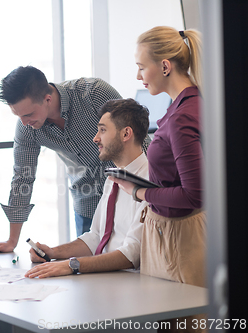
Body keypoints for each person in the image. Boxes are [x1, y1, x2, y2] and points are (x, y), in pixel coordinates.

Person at [0, 66, 150, 254]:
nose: (23, 123)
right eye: (18, 116)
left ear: (48, 99)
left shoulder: (93, 93)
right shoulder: (27, 128)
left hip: (132, 193)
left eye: (28, 114)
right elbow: (22, 177)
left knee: (137, 258)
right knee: (93, 269)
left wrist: (154, 188)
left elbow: (137, 137)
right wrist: (12, 240)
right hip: (87, 201)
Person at [111, 27, 204, 332]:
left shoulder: (181, 118)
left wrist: (139, 193)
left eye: (141, 67)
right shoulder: (187, 105)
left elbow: (193, 195)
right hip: (174, 235)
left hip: (179, 239)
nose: (139, 77)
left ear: (165, 65)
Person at [25, 99, 149, 278]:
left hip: (130, 282)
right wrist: (53, 253)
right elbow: (96, 236)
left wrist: (73, 265)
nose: (95, 138)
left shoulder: (149, 182)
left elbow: (132, 254)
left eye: (103, 130)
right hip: (105, 279)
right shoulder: (114, 178)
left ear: (126, 134)